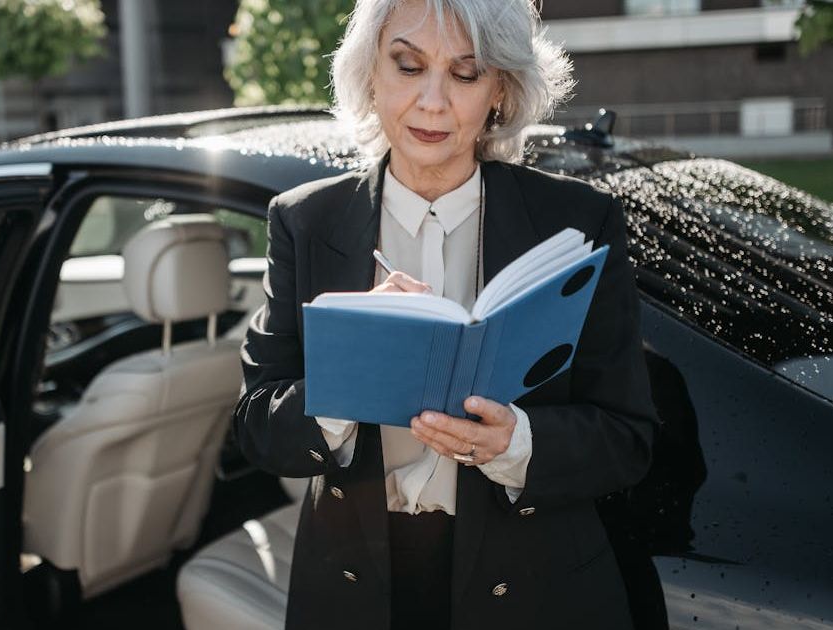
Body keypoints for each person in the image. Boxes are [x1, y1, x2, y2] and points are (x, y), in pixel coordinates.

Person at [230, 0, 658, 628]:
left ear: (500, 90)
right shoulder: (304, 221)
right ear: (370, 75)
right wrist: (347, 373)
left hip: (534, 590)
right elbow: (256, 427)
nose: (432, 102)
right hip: (353, 590)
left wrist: (518, 444)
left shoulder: (578, 222)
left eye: (465, 73)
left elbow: (628, 438)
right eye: (408, 66)